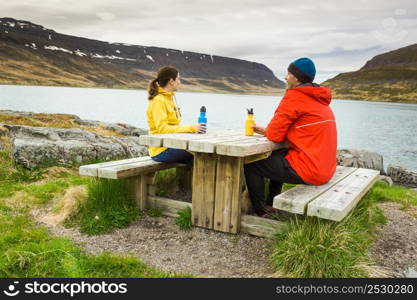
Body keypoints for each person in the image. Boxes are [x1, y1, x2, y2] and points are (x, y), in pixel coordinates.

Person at [244, 57, 337, 217]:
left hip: (311, 170)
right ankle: (271, 203)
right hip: (326, 169)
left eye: (288, 73)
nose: (286, 77)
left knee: (252, 163)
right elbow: (291, 132)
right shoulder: (320, 99)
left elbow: (274, 135)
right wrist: (267, 131)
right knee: (277, 156)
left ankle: (261, 211)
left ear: (296, 77)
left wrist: (268, 131)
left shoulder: (295, 97)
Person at [146, 66, 205, 165]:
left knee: (201, 160)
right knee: (202, 153)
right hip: (161, 151)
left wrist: (192, 130)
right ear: (171, 81)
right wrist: (192, 128)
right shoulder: (158, 101)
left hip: (171, 145)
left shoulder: (170, 98)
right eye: (178, 79)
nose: (179, 82)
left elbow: (174, 126)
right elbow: (162, 129)